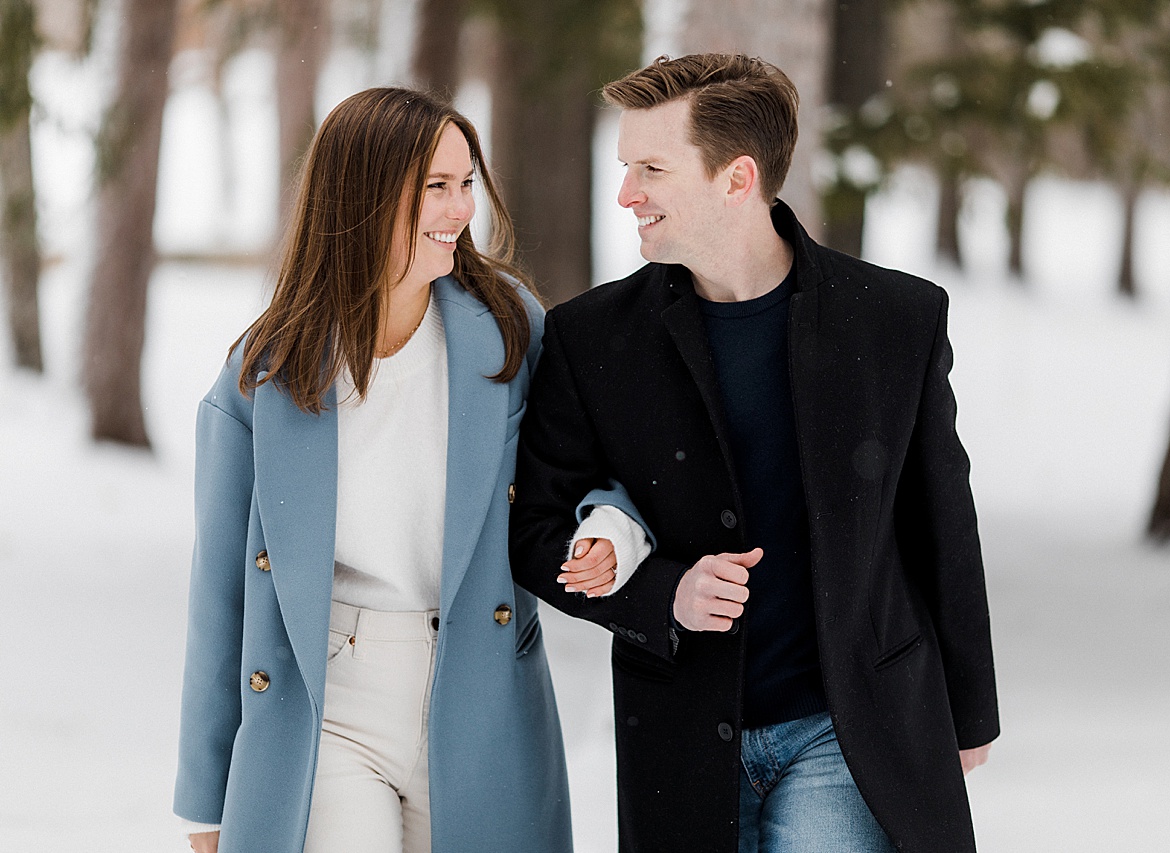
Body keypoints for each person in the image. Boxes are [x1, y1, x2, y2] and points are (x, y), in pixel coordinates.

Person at [510, 54, 1000, 853]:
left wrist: (970, 708)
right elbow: (533, 529)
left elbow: (940, 516)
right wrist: (659, 593)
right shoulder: (590, 339)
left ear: (736, 179)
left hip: (848, 734)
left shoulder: (896, 319)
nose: (627, 193)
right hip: (680, 739)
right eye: (627, 167)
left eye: (651, 169)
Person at [172, 86, 640, 853]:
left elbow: (587, 467)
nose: (460, 209)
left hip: (480, 690)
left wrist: (609, 529)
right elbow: (220, 589)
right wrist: (207, 799)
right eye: (435, 187)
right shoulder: (265, 374)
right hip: (328, 704)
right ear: (363, 193)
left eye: (466, 185)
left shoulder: (512, 328)